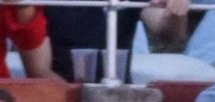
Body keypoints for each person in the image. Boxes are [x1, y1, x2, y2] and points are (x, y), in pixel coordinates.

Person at [46, 0, 188, 82]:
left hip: (119, 97)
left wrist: (176, 11)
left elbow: (169, 33)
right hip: (57, 93)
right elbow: (38, 70)